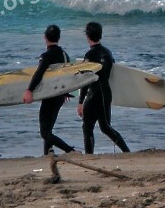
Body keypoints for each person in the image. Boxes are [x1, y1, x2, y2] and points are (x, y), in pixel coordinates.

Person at [23, 24, 78, 155]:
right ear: (59, 38)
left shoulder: (46, 55)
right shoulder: (65, 55)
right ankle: (48, 152)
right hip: (59, 95)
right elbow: (67, 74)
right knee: (49, 129)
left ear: (45, 37)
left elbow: (39, 73)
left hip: (50, 95)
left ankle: (70, 151)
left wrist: (29, 90)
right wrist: (66, 92)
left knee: (45, 132)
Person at [77, 21, 131, 154]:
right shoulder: (108, 52)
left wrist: (80, 102)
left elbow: (86, 79)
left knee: (87, 127)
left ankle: (89, 156)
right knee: (105, 127)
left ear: (87, 36)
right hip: (106, 93)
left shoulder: (89, 55)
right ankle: (126, 151)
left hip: (94, 94)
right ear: (100, 35)